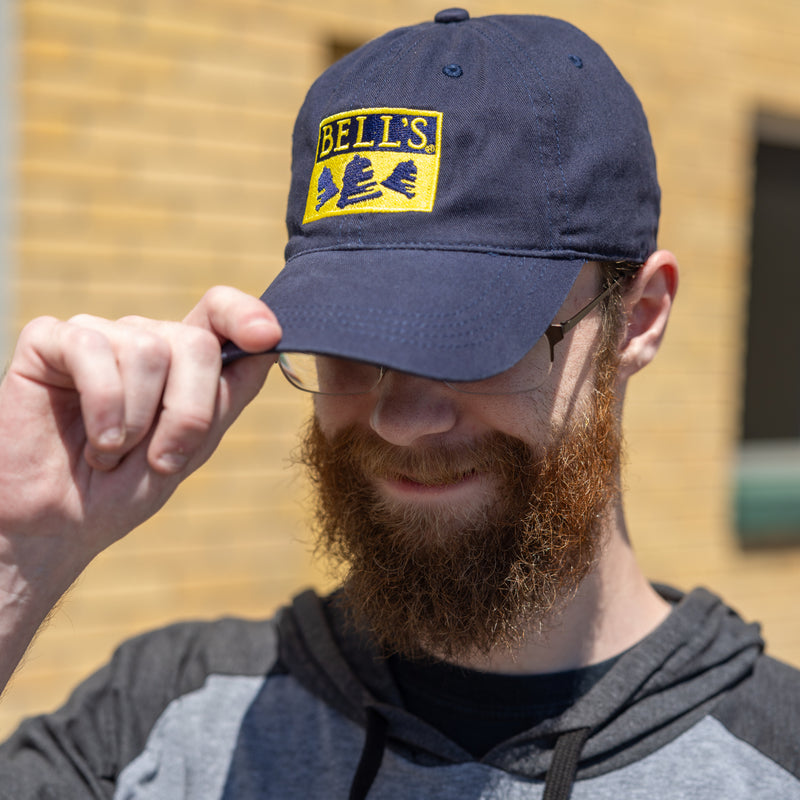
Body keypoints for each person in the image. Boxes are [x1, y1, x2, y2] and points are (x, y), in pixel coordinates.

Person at [0, 9, 798, 799]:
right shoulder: (160, 725)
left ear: (641, 318)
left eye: (478, 341)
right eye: (354, 341)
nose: (400, 418)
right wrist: (22, 553)